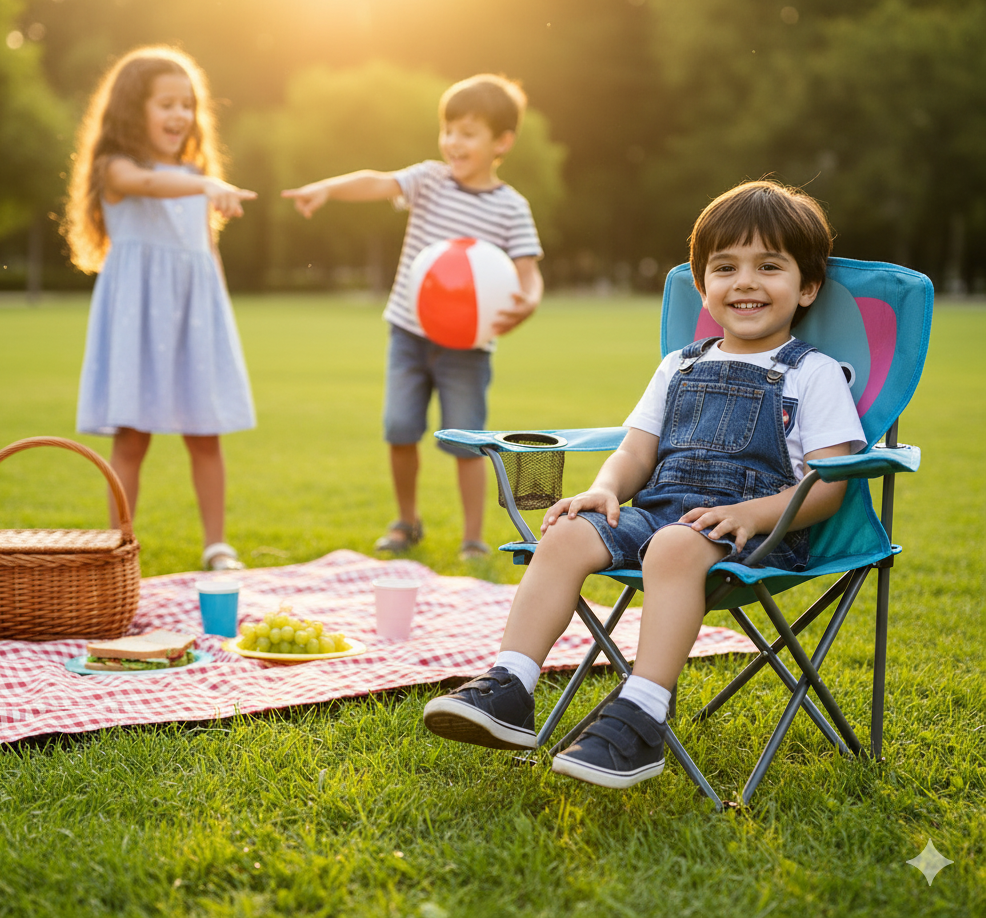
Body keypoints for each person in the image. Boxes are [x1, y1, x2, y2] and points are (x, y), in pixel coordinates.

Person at [422, 179, 867, 788]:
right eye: (725, 267)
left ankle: (643, 715)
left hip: (758, 535)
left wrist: (754, 515)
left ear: (807, 286)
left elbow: (830, 484)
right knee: (571, 532)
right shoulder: (680, 364)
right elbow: (636, 451)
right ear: (702, 284)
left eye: (769, 266)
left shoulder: (814, 374)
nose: (745, 282)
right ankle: (510, 685)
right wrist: (606, 487)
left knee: (675, 545)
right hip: (656, 512)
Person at [282, 74, 544, 560]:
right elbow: (377, 182)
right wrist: (327, 188)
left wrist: (527, 301)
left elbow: (529, 272)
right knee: (400, 429)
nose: (452, 141)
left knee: (469, 440)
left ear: (501, 142)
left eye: (468, 132)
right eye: (448, 129)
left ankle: (473, 538)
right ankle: (407, 521)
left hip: (468, 346)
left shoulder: (511, 207)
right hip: (408, 331)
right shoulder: (428, 180)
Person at [63, 46, 257, 571]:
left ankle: (217, 544)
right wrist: (207, 183)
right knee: (132, 436)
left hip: (195, 319)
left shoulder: (195, 175)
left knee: (205, 433)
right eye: (165, 103)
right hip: (138, 321)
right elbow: (149, 183)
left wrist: (219, 325)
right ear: (133, 108)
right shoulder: (116, 168)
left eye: (187, 105)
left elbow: (206, 255)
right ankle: (115, 544)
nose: (179, 115)